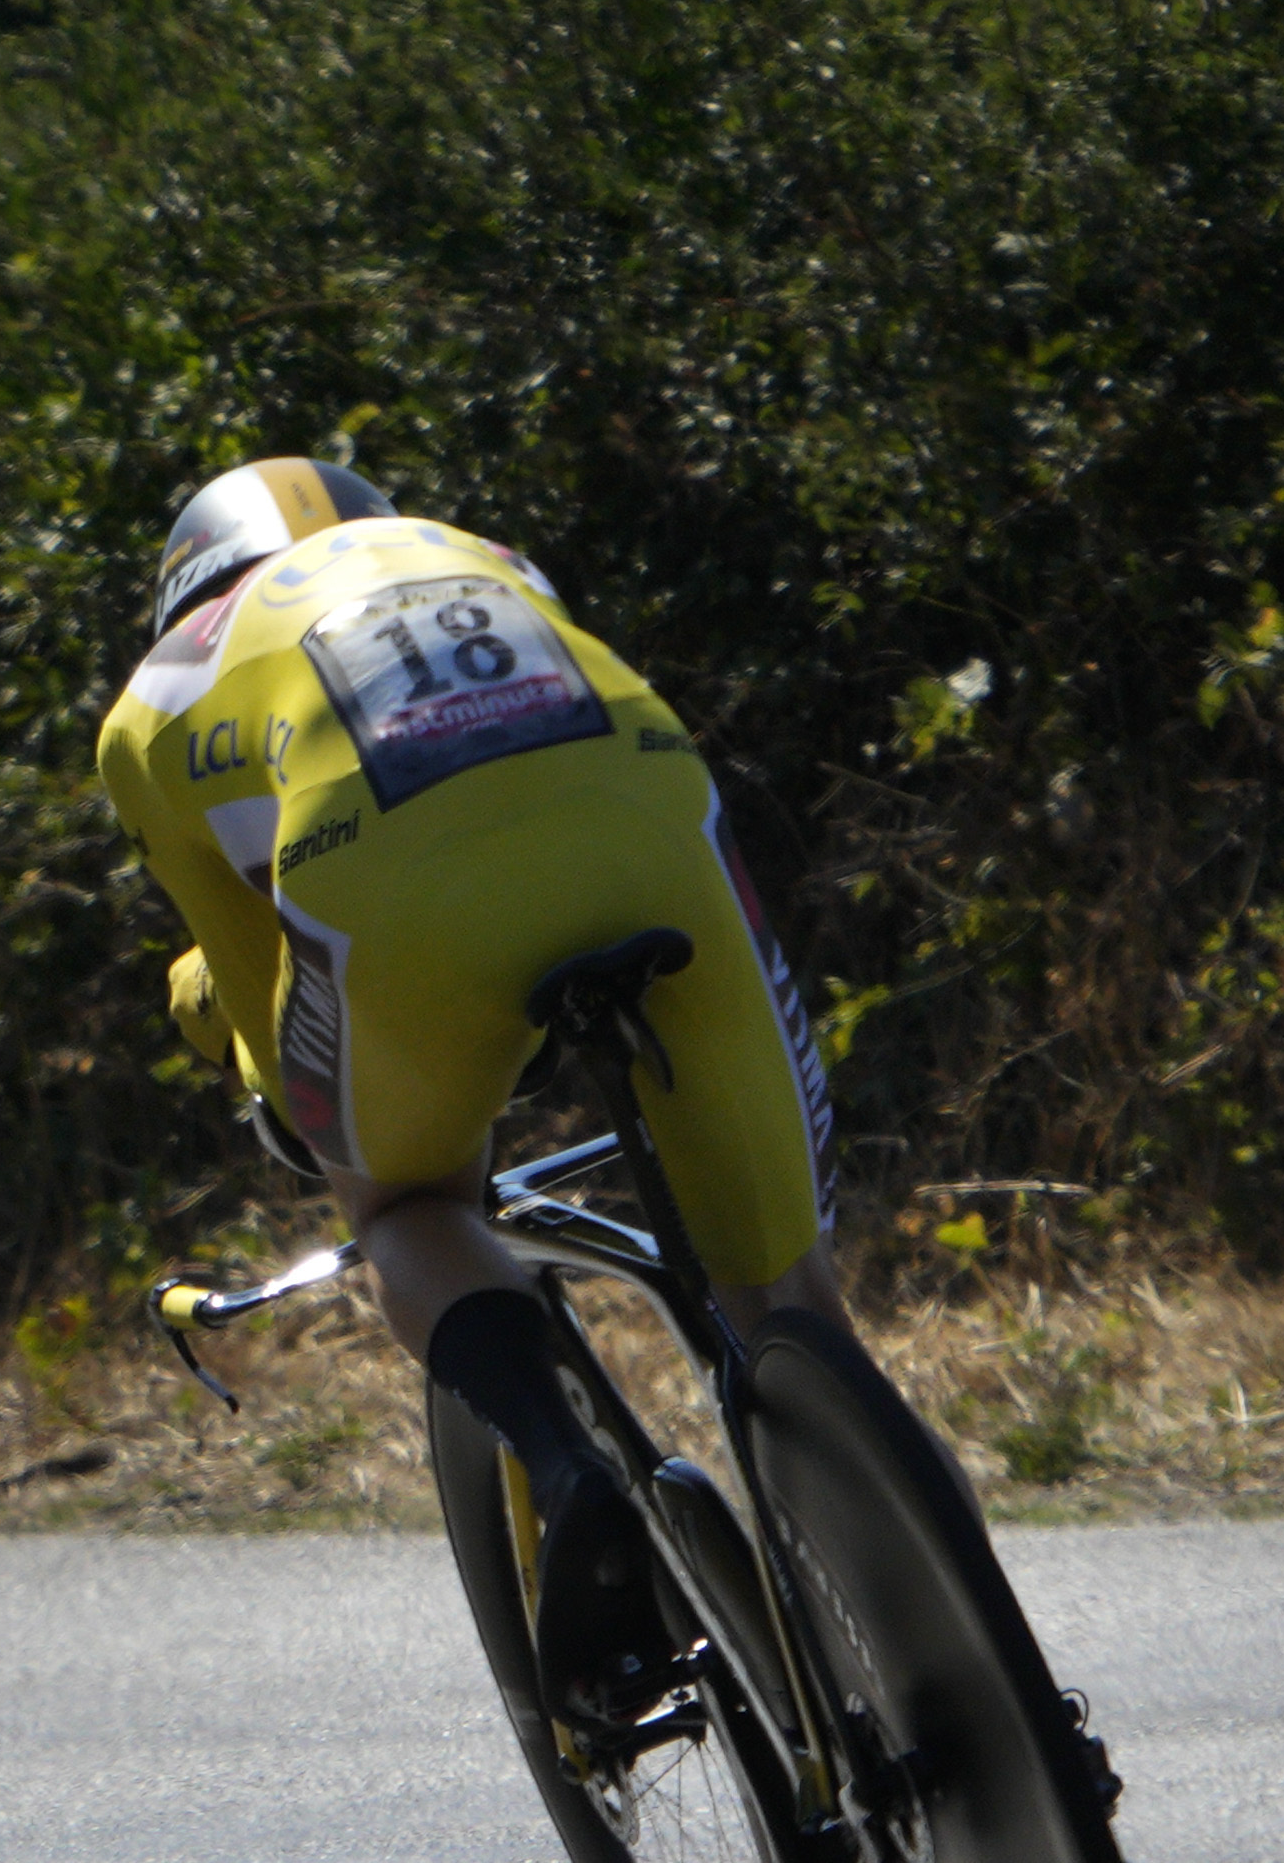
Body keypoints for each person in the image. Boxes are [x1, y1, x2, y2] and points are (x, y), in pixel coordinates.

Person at [86, 449, 933, 1710]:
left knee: (402, 1209)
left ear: (185, 588)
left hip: (386, 876)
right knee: (793, 1309)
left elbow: (262, 996)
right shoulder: (479, 553)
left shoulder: (151, 705)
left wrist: (284, 1096)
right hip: (650, 817)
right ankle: (1001, 1723)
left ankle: (564, 1454)